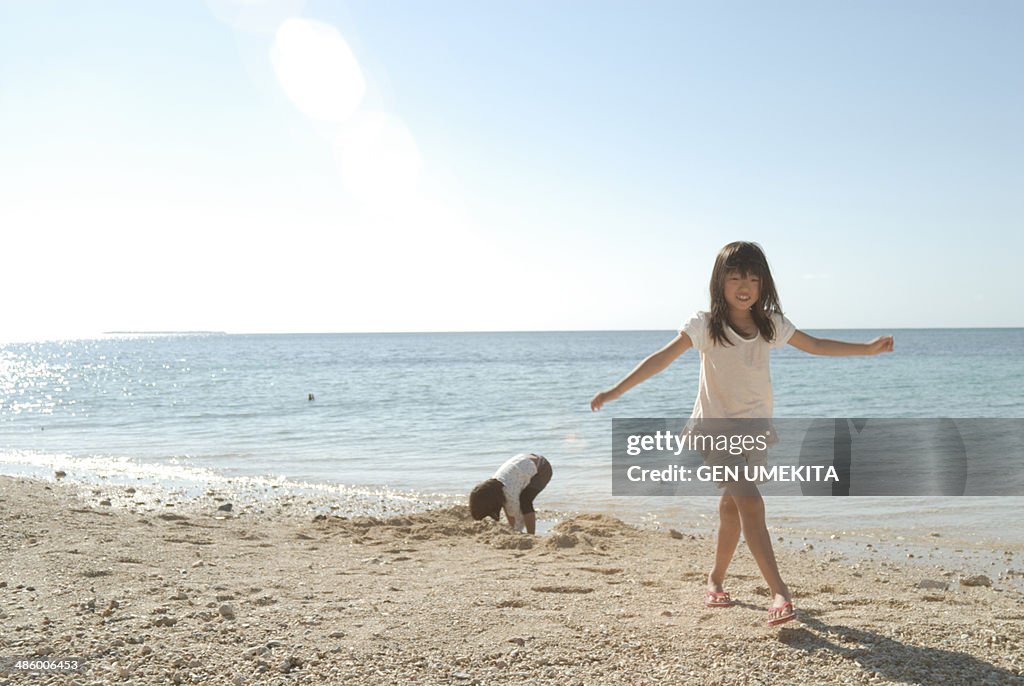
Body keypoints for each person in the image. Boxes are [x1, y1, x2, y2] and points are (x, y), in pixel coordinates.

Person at [590, 241, 893, 626]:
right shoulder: (704, 324)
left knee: (732, 508)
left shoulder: (770, 324)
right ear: (720, 283)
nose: (744, 285)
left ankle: (715, 581)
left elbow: (815, 345)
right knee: (751, 502)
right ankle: (779, 592)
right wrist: (616, 390)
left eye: (753, 277)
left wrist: (866, 350)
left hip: (756, 431)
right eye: (735, 277)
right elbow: (661, 359)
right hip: (714, 431)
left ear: (764, 283)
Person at [469, 453, 552, 534]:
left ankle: (531, 534)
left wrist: (515, 531)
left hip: (543, 468)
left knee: (525, 500)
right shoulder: (494, 486)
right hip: (526, 459)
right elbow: (509, 509)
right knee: (509, 504)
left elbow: (517, 516)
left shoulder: (509, 493)